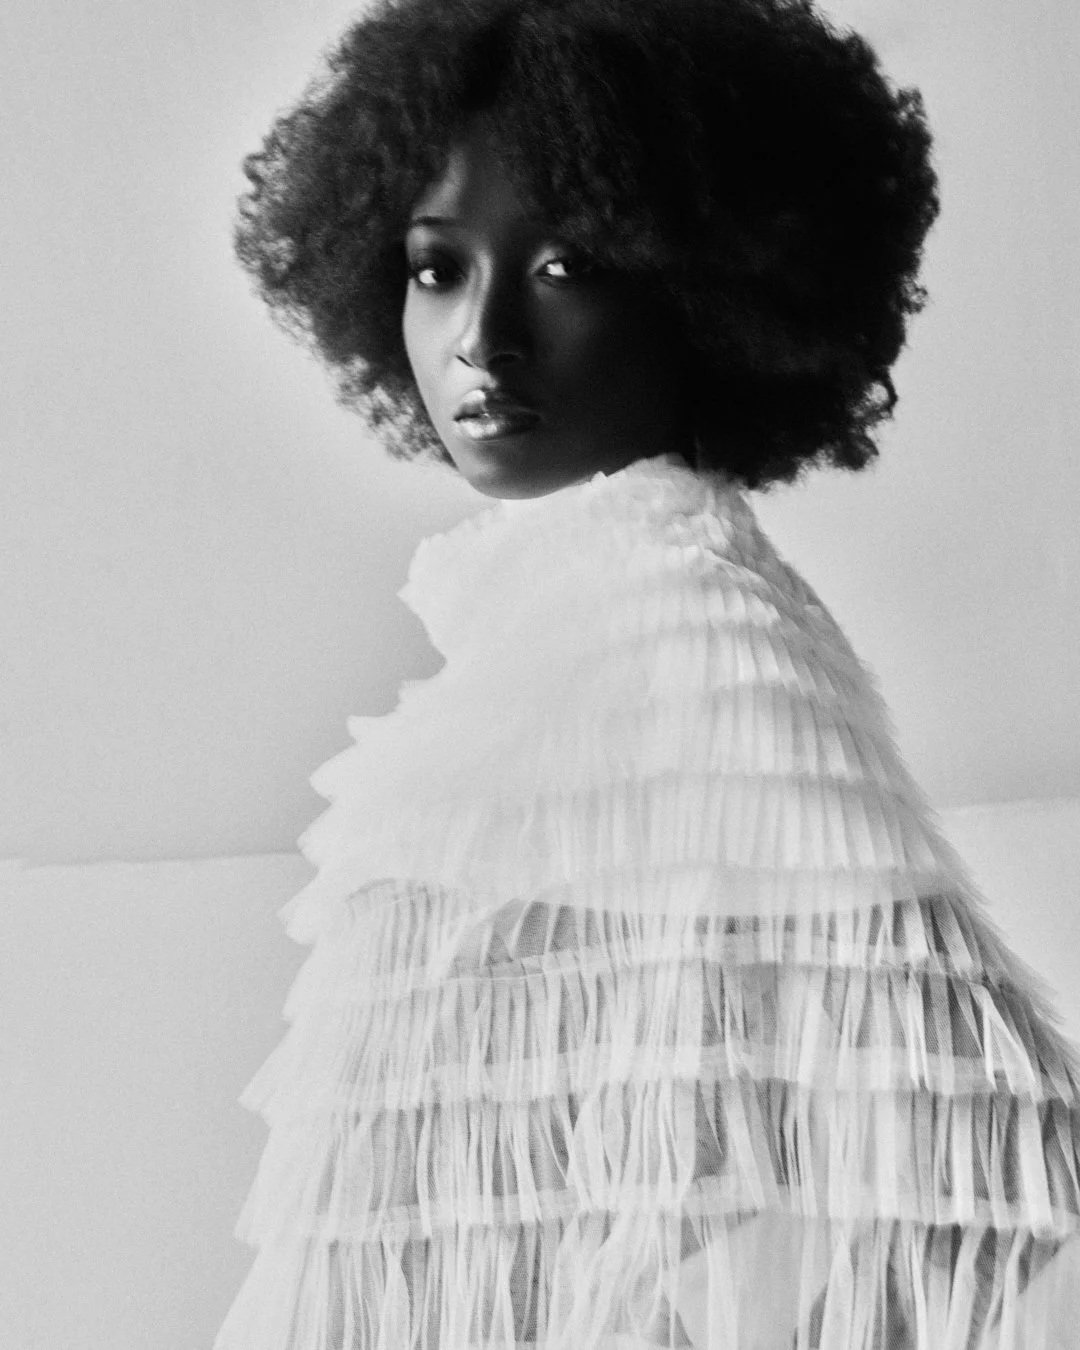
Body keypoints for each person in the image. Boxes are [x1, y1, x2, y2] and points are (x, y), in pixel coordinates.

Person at [213, 1, 1080, 1346]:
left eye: (566, 265)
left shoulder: (694, 627)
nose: (482, 340)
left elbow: (1002, 1145)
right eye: (437, 265)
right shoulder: (572, 617)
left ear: (702, 289)